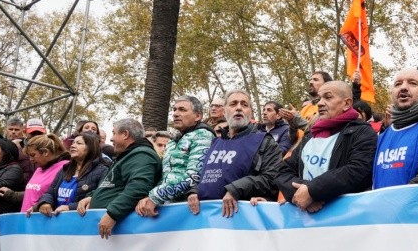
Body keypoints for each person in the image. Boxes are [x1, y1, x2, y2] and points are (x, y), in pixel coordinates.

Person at [276, 81, 377, 213]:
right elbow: (283, 172)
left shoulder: (363, 133)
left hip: (346, 218)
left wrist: (312, 191)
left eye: (328, 97)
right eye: (319, 98)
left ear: (346, 103)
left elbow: (358, 170)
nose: (320, 103)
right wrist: (300, 195)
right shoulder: (310, 136)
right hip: (307, 220)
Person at [189, 90, 283, 218]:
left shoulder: (265, 142)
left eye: (244, 105)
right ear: (225, 110)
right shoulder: (214, 143)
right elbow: (202, 173)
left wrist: (236, 189)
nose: (239, 108)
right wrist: (194, 190)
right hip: (206, 220)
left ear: (251, 112)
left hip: (242, 218)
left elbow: (272, 178)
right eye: (233, 104)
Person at [77, 119, 162, 239]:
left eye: (114, 133)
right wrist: (92, 196)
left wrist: (112, 214)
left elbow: (138, 187)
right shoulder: (126, 156)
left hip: (123, 233)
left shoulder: (141, 155)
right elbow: (111, 184)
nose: (111, 139)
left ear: (125, 134)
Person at [135, 95, 214, 217]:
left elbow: (193, 177)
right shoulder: (172, 141)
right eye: (174, 109)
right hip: (167, 205)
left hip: (189, 210)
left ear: (198, 116)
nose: (176, 114)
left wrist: (156, 196)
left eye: (182, 110)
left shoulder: (203, 135)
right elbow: (166, 176)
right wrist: (149, 196)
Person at [35, 133, 109, 216]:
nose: (72, 146)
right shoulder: (65, 169)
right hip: (58, 221)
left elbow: (100, 197)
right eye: (73, 143)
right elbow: (50, 192)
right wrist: (45, 203)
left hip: (82, 222)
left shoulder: (102, 170)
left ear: (91, 148)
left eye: (79, 143)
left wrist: (70, 208)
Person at [0, 134, 69, 212]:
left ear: (45, 152)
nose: (30, 159)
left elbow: (60, 196)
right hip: (27, 219)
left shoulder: (65, 167)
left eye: (33, 155)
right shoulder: (39, 168)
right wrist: (13, 195)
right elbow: (34, 193)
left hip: (44, 220)